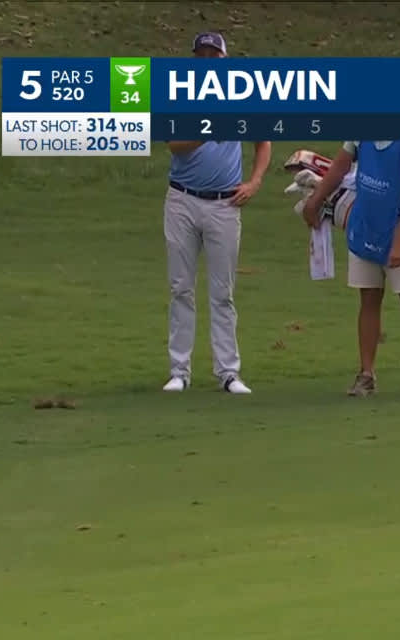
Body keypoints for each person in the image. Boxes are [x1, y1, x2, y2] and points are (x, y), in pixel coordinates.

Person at [301, 115, 400, 398]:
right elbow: (341, 164)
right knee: (368, 298)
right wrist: (315, 201)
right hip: (365, 224)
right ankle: (366, 375)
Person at [162, 30, 269, 394]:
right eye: (201, 55)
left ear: (225, 60)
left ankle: (228, 372)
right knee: (181, 287)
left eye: (214, 55)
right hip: (182, 199)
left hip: (225, 202)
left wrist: (254, 182)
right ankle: (180, 371)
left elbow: (263, 141)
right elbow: (175, 144)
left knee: (223, 291)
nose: (208, 61)